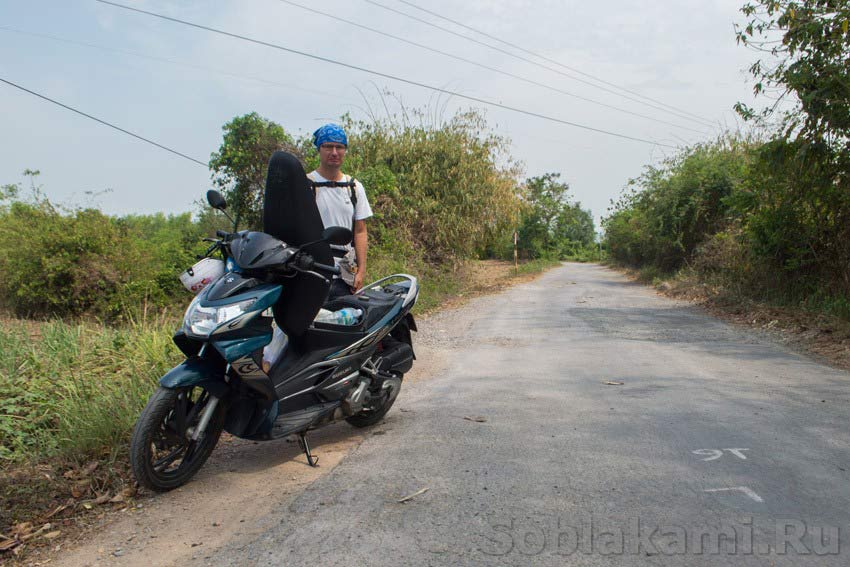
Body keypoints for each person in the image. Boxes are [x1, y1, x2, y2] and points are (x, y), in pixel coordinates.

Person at [307, 123, 372, 299]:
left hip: (344, 274)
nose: (334, 152)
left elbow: (360, 230)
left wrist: (361, 272)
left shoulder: (354, 187)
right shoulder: (305, 185)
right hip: (311, 273)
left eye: (339, 147)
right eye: (328, 146)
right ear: (319, 149)